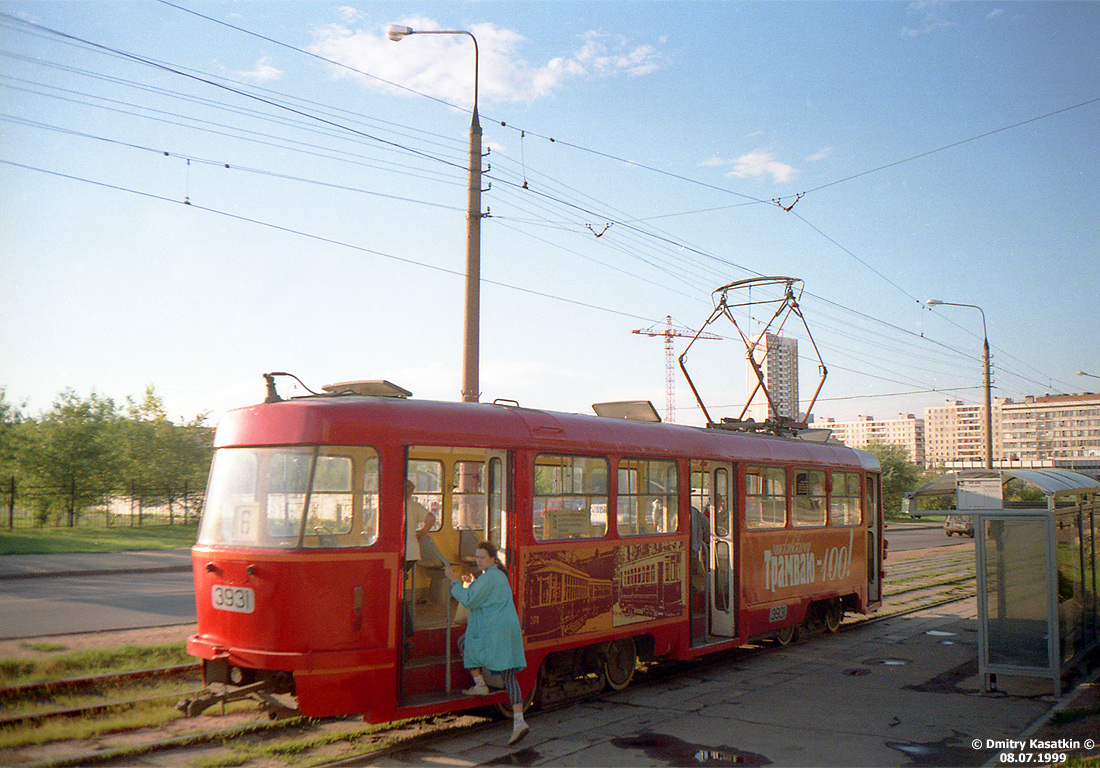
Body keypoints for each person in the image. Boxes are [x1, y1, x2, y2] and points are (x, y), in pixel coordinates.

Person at [443, 542, 529, 746]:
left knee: (464, 643)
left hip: (492, 630)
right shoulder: (498, 575)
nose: (478, 560)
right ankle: (519, 721)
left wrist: (454, 580)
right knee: (508, 675)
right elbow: (484, 594)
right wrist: (473, 583)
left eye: (482, 557)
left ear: (492, 558)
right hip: (505, 629)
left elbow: (470, 601)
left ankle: (480, 684)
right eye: (477, 557)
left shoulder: (489, 576)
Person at [404, 480, 437, 636]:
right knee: (401, 587)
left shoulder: (389, 504)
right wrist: (421, 532)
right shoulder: (414, 506)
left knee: (397, 591)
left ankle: (405, 627)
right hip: (412, 553)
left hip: (399, 553)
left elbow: (371, 529)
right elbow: (431, 518)